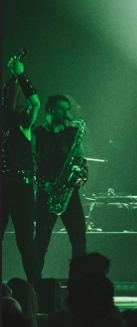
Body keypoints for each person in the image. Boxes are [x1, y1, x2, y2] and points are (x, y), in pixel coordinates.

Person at [34, 94, 89, 275]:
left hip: (68, 192)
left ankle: (79, 281)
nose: (66, 113)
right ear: (50, 109)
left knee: (79, 239)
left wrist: (79, 171)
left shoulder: (72, 133)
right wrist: (44, 183)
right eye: (61, 109)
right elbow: (30, 165)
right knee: (41, 242)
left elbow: (82, 162)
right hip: (46, 193)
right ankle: (34, 283)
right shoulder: (37, 133)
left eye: (67, 109)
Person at [1, 55, 42, 283]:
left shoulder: (23, 120)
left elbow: (35, 103)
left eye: (16, 91)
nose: (12, 94)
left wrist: (21, 75)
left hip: (21, 188)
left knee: (25, 242)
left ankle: (38, 291)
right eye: (10, 90)